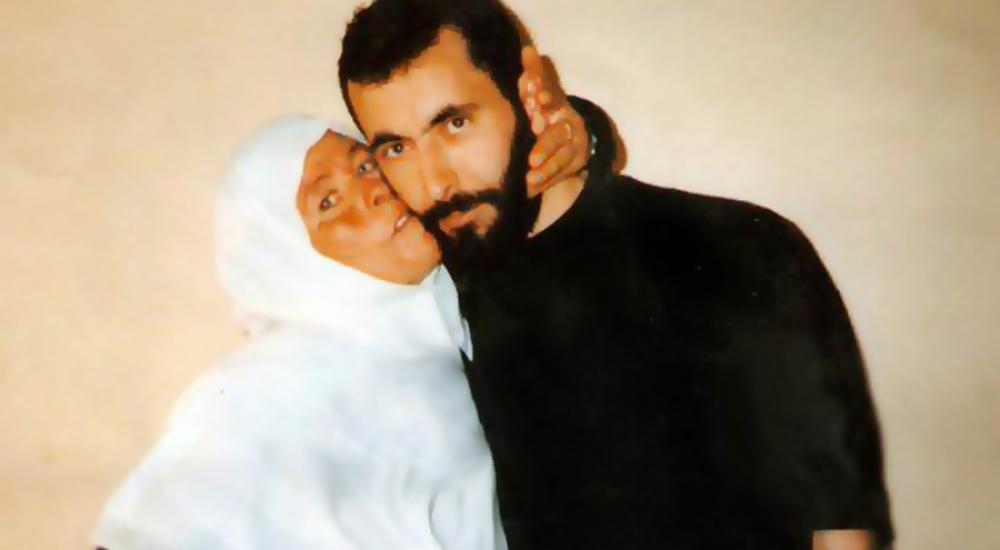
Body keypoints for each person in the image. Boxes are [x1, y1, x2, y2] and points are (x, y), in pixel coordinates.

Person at [338, 1, 894, 549]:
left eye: (455, 124)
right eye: (396, 147)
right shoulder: (427, 310)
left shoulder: (740, 249)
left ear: (529, 90)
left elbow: (840, 522)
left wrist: (587, 131)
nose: (434, 182)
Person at [90, 99, 592, 548]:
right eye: (327, 202)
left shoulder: (458, 326)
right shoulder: (265, 390)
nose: (372, 193)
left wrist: (582, 136)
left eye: (366, 165)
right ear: (287, 257)